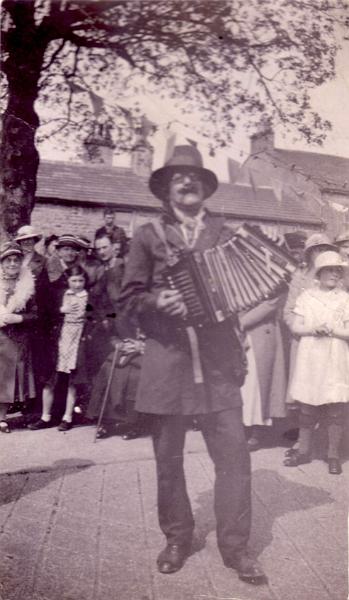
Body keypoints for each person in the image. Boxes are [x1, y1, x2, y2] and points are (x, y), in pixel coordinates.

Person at [117, 145, 266, 584]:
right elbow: (126, 302)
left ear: (204, 187)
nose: (187, 182)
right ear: (165, 188)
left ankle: (236, 548)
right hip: (169, 365)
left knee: (235, 458)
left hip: (220, 367)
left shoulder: (226, 233)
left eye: (195, 177)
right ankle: (178, 538)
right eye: (178, 177)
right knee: (169, 459)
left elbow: (254, 286)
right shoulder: (147, 236)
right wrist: (156, 302)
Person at [284, 251, 349, 475]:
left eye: (338, 270)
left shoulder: (344, 298)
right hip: (311, 355)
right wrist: (313, 329)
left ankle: (333, 455)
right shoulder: (307, 297)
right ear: (319, 273)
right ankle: (304, 451)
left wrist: (333, 330)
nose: (335, 274)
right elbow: (295, 326)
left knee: (336, 407)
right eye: (330, 270)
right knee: (307, 406)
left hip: (335, 354)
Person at [282, 233, 337, 443]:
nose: (322, 253)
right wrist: (302, 328)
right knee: (304, 392)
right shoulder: (301, 276)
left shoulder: (338, 275)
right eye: (318, 249)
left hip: (332, 342)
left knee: (330, 391)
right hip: (304, 341)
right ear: (310, 253)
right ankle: (303, 442)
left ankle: (328, 441)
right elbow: (288, 311)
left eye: (326, 248)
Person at [28, 234, 82, 430]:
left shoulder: (79, 273)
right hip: (52, 329)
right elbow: (42, 302)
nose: (68, 252)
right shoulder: (49, 272)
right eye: (64, 249)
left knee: (69, 373)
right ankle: (46, 416)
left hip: (74, 330)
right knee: (51, 374)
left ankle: (66, 416)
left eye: (72, 249)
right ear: (58, 251)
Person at [240, 294, 287, 451]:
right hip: (237, 333)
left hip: (260, 331)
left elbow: (271, 302)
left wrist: (240, 323)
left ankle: (256, 433)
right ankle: (240, 429)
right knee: (241, 384)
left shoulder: (276, 274)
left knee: (258, 385)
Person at [0, 242, 37, 432]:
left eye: (16, 260)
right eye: (8, 261)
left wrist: (19, 317)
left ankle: (5, 417)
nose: (13, 264)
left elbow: (35, 314)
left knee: (10, 378)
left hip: (17, 338)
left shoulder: (27, 285)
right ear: (2, 263)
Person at [55, 265, 90, 431]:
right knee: (61, 376)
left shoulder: (87, 296)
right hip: (64, 337)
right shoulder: (64, 295)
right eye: (74, 280)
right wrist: (63, 310)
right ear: (67, 281)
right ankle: (57, 412)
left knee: (74, 379)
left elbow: (92, 314)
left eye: (81, 280)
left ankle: (68, 416)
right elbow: (53, 313)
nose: (77, 284)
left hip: (79, 336)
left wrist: (86, 316)